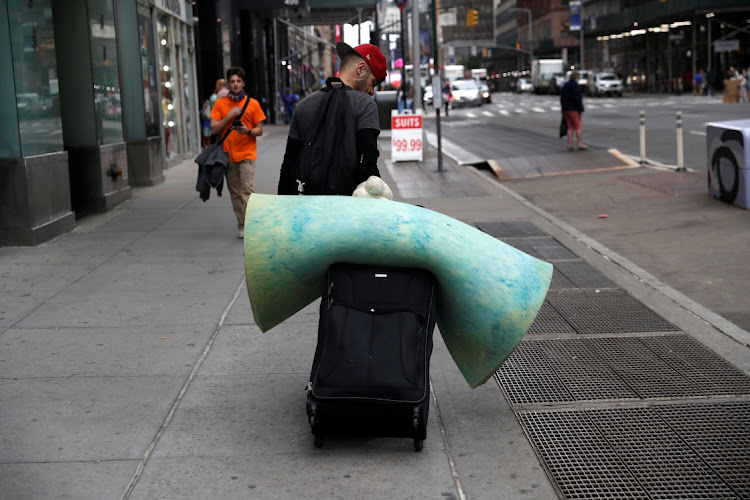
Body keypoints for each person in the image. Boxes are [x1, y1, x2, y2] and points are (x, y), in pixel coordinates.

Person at [277, 42, 389, 198]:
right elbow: (369, 168)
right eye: (373, 83)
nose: (371, 91)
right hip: (346, 210)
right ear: (361, 69)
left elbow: (288, 167)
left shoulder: (303, 105)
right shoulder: (364, 104)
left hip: (308, 207)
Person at [210, 67, 266, 239]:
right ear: (229, 83)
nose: (235, 84)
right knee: (235, 193)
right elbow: (213, 129)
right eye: (232, 81)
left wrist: (247, 131)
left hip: (247, 154)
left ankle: (251, 225)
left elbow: (260, 130)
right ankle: (242, 225)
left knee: (246, 190)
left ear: (243, 83)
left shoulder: (253, 104)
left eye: (238, 81)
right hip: (228, 155)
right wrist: (229, 116)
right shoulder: (220, 104)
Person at [560, 71, 587, 151]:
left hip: (566, 109)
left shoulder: (566, 85)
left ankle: (570, 144)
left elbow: (562, 98)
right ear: (576, 77)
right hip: (574, 109)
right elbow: (577, 98)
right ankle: (580, 143)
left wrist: (563, 108)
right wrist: (580, 108)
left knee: (570, 127)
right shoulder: (574, 86)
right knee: (578, 126)